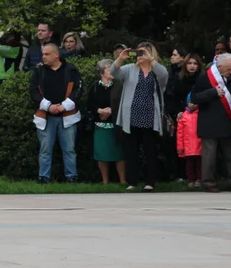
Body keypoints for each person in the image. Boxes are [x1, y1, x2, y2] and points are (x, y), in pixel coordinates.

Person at [114, 42, 169, 192]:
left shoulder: (156, 71)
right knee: (131, 151)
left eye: (143, 53)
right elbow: (113, 73)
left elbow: (164, 76)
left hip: (151, 117)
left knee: (150, 151)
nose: (140, 56)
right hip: (131, 116)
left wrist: (151, 60)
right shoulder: (130, 69)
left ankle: (150, 182)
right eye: (138, 53)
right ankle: (132, 182)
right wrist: (120, 59)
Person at [30, 43, 83, 184]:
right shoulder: (38, 71)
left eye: (47, 54)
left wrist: (64, 106)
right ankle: (43, 177)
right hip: (46, 116)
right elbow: (33, 92)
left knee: (69, 150)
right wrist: (48, 106)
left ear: (56, 55)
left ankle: (71, 177)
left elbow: (78, 90)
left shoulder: (71, 70)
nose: (43, 57)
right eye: (43, 54)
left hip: (68, 116)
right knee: (45, 150)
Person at [193, 54, 231, 192]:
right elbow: (194, 98)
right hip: (209, 123)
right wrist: (212, 92)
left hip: (228, 122)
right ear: (219, 67)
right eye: (228, 69)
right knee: (209, 156)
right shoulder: (205, 77)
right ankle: (209, 183)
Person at [87, 59, 126, 185]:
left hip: (116, 124)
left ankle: (123, 180)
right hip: (100, 126)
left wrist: (111, 110)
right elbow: (89, 104)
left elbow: (124, 102)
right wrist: (100, 110)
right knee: (101, 153)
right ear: (101, 72)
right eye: (109, 69)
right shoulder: (94, 87)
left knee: (119, 154)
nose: (112, 71)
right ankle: (105, 181)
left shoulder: (119, 85)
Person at [170, 54, 203, 187]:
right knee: (183, 147)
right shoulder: (179, 79)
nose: (192, 66)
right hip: (184, 117)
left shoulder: (203, 79)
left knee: (200, 150)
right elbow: (173, 98)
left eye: (195, 63)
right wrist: (178, 112)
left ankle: (200, 178)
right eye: (189, 63)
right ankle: (184, 176)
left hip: (200, 116)